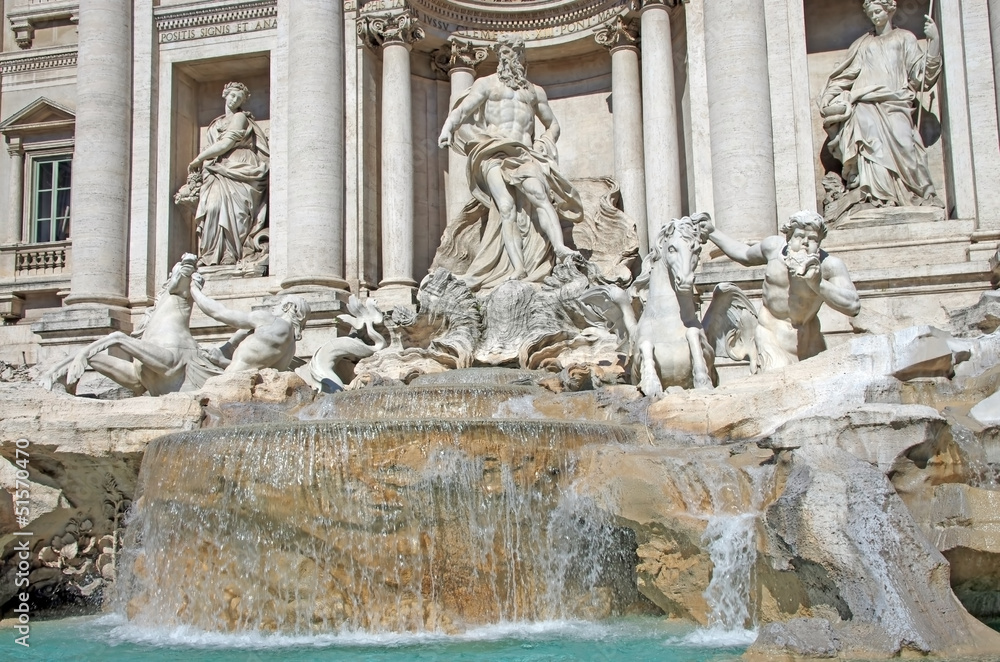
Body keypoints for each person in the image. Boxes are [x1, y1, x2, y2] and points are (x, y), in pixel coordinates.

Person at [437, 33, 583, 291]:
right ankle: (518, 267)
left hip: (524, 152)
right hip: (492, 150)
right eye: (505, 54)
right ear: (499, 57)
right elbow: (461, 111)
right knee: (505, 206)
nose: (510, 59)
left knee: (539, 195)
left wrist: (544, 142)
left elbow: (553, 124)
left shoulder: (535, 92)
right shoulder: (486, 84)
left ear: (522, 57)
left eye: (514, 54)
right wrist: (447, 129)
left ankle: (559, 248)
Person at [819, 0, 942, 216]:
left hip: (896, 102)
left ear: (889, 11)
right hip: (864, 103)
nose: (875, 16)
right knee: (869, 145)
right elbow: (846, 76)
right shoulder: (862, 44)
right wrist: (829, 97)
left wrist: (934, 41)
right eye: (871, 13)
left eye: (878, 11)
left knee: (906, 145)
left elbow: (921, 76)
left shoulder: (905, 38)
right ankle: (875, 194)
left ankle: (915, 193)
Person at [698, 211, 860, 372]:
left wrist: (818, 284)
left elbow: (853, 306)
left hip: (810, 341)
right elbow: (744, 254)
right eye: (799, 236)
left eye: (812, 239)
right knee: (778, 375)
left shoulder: (829, 266)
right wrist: (713, 232)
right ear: (788, 237)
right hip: (771, 335)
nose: (804, 243)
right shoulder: (773, 249)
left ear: (820, 242)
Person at [187, 82, 270, 267]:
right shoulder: (215, 123)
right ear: (225, 94)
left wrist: (198, 159)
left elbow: (225, 144)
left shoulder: (240, 117)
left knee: (237, 213)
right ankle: (211, 255)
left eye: (239, 98)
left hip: (239, 167)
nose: (234, 100)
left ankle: (230, 255)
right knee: (213, 207)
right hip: (217, 170)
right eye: (232, 95)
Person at [189, 280, 310, 373]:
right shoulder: (291, 348)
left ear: (288, 307)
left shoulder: (271, 321)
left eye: (279, 304)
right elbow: (253, 371)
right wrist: (221, 361)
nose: (274, 308)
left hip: (229, 388)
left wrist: (194, 290)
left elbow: (219, 313)